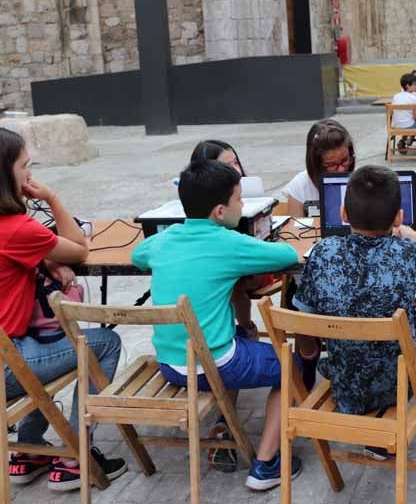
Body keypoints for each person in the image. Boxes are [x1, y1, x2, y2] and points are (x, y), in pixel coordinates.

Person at [132, 159, 303, 491]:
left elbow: (139, 255)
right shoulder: (229, 243)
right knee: (290, 366)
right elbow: (286, 256)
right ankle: (266, 464)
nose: (243, 205)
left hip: (170, 363)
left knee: (240, 333)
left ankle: (227, 424)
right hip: (211, 363)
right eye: (240, 200)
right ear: (221, 212)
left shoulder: (166, 239)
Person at [292, 166, 416, 460]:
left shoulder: (323, 252)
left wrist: (307, 350)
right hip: (402, 385)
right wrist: (408, 234)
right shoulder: (406, 252)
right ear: (398, 217)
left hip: (345, 387)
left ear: (343, 213)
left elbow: (303, 317)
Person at [0, 128, 128, 492]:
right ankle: (76, 455)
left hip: (12, 352)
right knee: (102, 342)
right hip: (8, 365)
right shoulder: (17, 229)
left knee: (45, 339)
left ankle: (29, 451)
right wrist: (52, 198)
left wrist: (42, 261)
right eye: (25, 167)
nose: (30, 176)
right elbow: (78, 248)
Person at [189, 139, 264, 338]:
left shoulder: (243, 196)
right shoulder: (201, 204)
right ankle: (239, 333)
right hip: (219, 266)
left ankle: (245, 328)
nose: (236, 171)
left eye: (236, 163)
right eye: (227, 165)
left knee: (232, 283)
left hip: (250, 266)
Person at [283, 119, 356, 218]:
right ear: (315, 164)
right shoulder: (300, 186)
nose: (341, 169)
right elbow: (294, 230)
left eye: (345, 160)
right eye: (331, 165)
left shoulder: (361, 183)